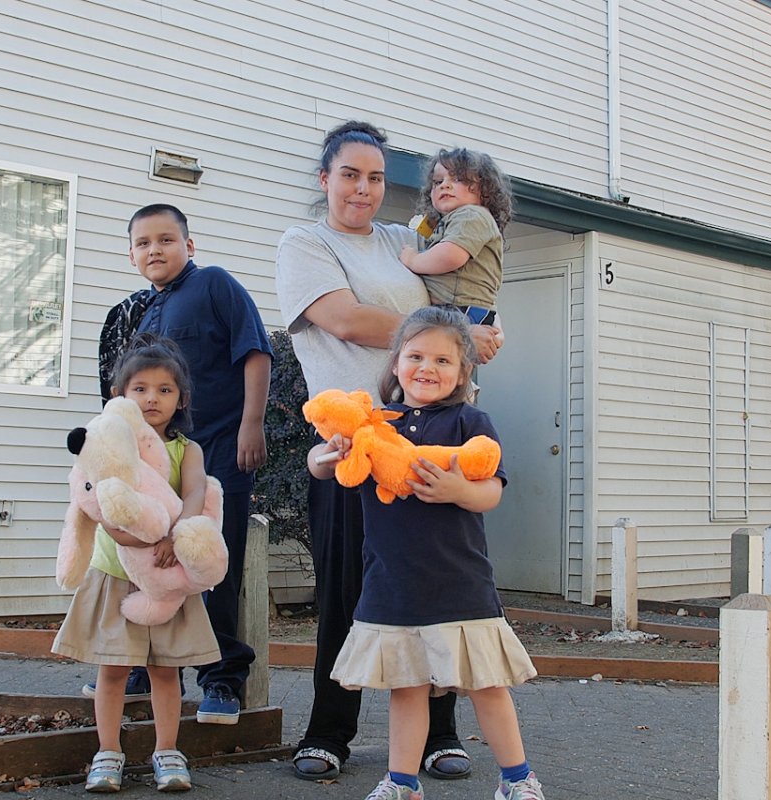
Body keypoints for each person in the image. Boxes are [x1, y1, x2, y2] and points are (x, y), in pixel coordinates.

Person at [272, 120, 502, 783]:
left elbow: (462, 292)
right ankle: (329, 732)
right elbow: (344, 318)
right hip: (353, 445)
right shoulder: (305, 241)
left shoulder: (405, 240)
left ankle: (440, 733)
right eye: (349, 174)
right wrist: (450, 330)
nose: (364, 188)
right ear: (325, 179)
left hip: (431, 439)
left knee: (438, 588)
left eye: (376, 177)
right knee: (346, 590)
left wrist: (480, 330)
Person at [309, 307, 542, 800]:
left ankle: (518, 779)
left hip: (460, 583)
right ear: (395, 363)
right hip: (394, 584)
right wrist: (321, 457)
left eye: (442, 359)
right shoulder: (376, 426)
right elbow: (323, 464)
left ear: (463, 372)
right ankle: (402, 782)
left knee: (487, 685)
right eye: (415, 355)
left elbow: (492, 492)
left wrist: (459, 488)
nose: (427, 368)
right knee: (406, 687)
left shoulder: (470, 421)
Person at [87, 204, 272, 725]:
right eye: (143, 243)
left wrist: (251, 424)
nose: (155, 250)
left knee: (212, 562)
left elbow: (255, 353)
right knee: (147, 559)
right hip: (158, 464)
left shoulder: (213, 285)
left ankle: (222, 679)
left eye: (166, 240)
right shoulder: (144, 313)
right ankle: (144, 664)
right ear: (131, 256)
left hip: (220, 451)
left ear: (189, 246)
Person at [52, 335, 219, 793]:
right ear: (118, 396)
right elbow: (96, 500)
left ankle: (167, 750)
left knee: (167, 670)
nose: (152, 398)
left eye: (164, 389)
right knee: (113, 670)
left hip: (167, 576)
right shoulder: (106, 443)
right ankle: (108, 753)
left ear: (181, 398)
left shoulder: (188, 449)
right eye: (140, 388)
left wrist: (177, 536)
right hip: (115, 572)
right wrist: (121, 532)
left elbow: (195, 494)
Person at [400, 148, 513, 328]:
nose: (444, 185)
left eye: (458, 179)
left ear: (484, 189)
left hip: (462, 309)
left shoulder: (472, 215)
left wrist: (413, 260)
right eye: (437, 182)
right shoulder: (450, 220)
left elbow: (450, 255)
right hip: (458, 308)